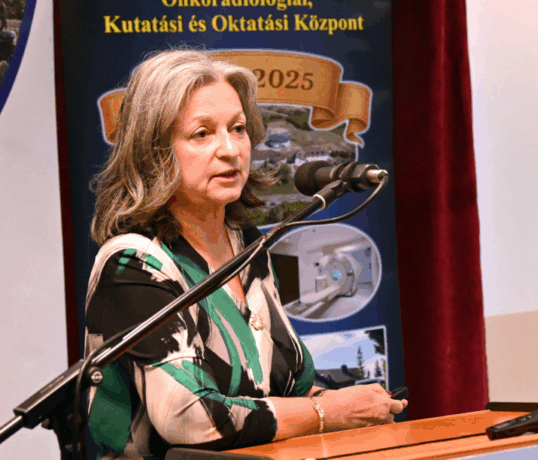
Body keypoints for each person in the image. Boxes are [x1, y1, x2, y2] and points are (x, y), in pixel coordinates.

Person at [85, 49, 407, 460]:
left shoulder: (248, 247)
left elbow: (284, 390)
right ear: (154, 153)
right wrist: (327, 412)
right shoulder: (134, 264)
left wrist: (354, 405)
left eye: (238, 129)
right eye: (202, 134)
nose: (230, 149)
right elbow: (190, 418)